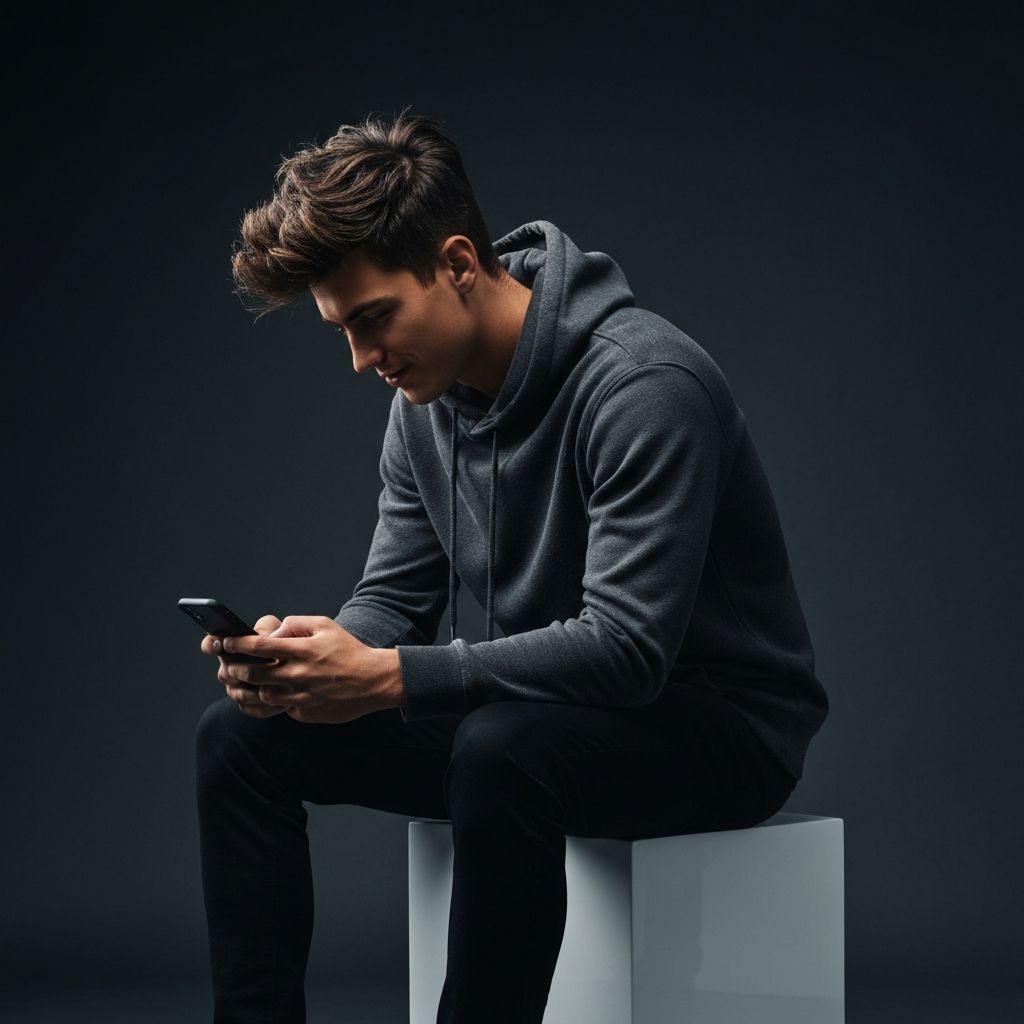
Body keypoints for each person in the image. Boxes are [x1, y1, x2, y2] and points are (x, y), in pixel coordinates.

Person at [195, 108, 829, 1024]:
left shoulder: (646, 384)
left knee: (503, 752)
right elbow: (394, 596)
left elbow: (625, 650)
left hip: (718, 728)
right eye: (340, 330)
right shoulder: (423, 399)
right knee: (240, 737)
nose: (361, 358)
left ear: (458, 264)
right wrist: (315, 661)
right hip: (535, 715)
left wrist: (385, 677)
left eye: (373, 319)